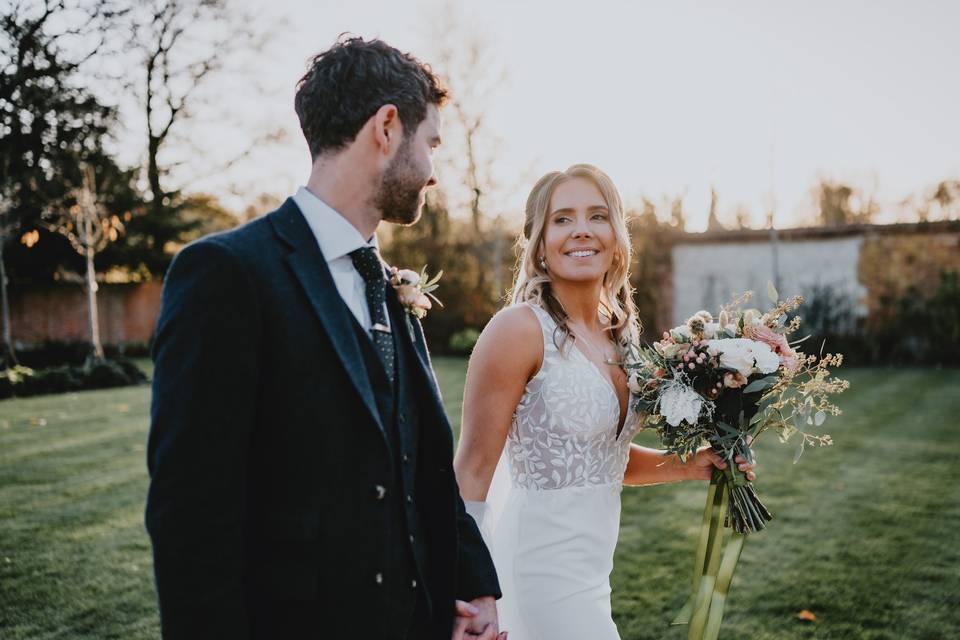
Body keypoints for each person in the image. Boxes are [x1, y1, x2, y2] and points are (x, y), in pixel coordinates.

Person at [145, 36, 503, 640]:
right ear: (387, 127)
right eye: (431, 144)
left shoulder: (389, 284)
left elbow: (421, 470)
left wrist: (471, 585)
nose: (434, 173)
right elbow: (191, 517)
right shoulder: (228, 274)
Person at [453, 164, 756, 639]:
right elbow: (470, 472)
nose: (582, 231)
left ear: (616, 234)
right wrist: (469, 586)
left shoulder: (621, 335)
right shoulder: (517, 331)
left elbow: (598, 458)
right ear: (538, 241)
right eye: (562, 219)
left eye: (597, 216)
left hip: (591, 573)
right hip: (536, 569)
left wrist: (691, 464)